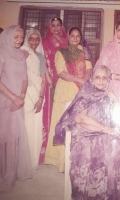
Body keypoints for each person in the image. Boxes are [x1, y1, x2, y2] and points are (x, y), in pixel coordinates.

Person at [54, 65, 120, 200]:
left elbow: (119, 116)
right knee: (90, 154)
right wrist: (106, 129)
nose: (101, 81)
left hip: (106, 134)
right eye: (98, 77)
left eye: (105, 78)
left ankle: (110, 195)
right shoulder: (85, 93)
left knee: (116, 152)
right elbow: (81, 119)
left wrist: (114, 98)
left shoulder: (108, 95)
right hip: (85, 133)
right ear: (92, 78)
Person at [0, 25, 32, 192]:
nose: (19, 40)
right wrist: (15, 98)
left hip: (17, 100)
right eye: (16, 37)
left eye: (21, 37)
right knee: (0, 139)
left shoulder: (21, 54)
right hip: (1, 100)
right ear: (7, 36)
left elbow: (25, 78)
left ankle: (9, 175)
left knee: (13, 138)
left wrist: (21, 96)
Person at [44, 27, 92, 172]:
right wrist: (79, 79)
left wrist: (84, 80)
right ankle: (63, 162)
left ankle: (77, 161)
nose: (75, 38)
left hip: (80, 90)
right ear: (68, 37)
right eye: (73, 36)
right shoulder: (61, 52)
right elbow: (61, 72)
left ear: (81, 38)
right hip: (66, 90)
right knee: (65, 125)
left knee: (79, 126)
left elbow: (89, 69)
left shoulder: (85, 52)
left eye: (78, 36)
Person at [40, 17, 68, 163]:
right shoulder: (44, 41)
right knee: (50, 113)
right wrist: (49, 79)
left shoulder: (66, 41)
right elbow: (42, 61)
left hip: (65, 82)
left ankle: (60, 151)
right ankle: (47, 149)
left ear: (62, 27)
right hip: (51, 81)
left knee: (62, 114)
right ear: (49, 27)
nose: (56, 28)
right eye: (53, 25)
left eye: (58, 25)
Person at [20, 30, 46, 170]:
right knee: (25, 126)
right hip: (24, 94)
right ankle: (21, 161)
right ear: (27, 40)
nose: (34, 42)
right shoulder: (21, 53)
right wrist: (21, 58)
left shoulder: (41, 57)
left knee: (35, 126)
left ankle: (32, 160)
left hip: (37, 95)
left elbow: (42, 79)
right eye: (31, 39)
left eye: (37, 39)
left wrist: (41, 98)